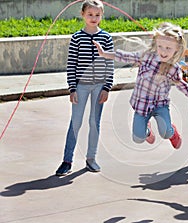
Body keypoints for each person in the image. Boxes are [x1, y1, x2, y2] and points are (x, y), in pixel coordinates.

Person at [93, 22, 188, 150]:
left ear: (176, 49)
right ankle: (147, 129)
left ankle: (172, 132)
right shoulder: (146, 56)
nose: (164, 51)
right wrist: (104, 53)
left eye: (168, 48)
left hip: (160, 105)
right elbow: (125, 56)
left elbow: (182, 85)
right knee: (138, 138)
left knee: (165, 133)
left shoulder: (173, 68)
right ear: (156, 44)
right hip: (142, 105)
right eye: (160, 46)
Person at [56, 0, 114, 176]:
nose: (94, 18)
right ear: (83, 14)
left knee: (94, 122)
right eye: (90, 14)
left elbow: (109, 63)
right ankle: (67, 160)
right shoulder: (77, 37)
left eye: (97, 15)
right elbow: (71, 64)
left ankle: (91, 158)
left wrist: (107, 87)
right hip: (81, 86)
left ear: (101, 16)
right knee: (75, 122)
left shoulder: (106, 37)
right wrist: (72, 88)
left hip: (99, 86)